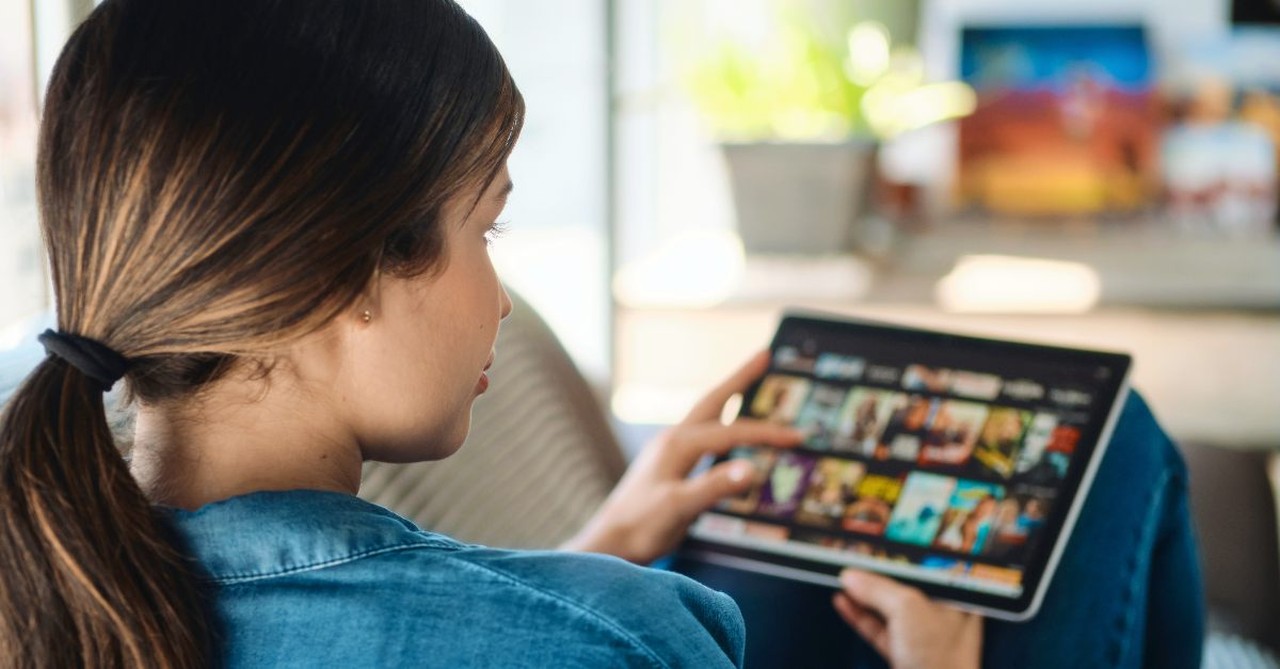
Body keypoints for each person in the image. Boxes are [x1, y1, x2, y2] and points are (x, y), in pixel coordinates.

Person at [0, 1, 1202, 668]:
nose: (500, 302)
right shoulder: (611, 638)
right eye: (489, 228)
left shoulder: (45, 580)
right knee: (1113, 447)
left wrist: (604, 537)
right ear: (344, 273)